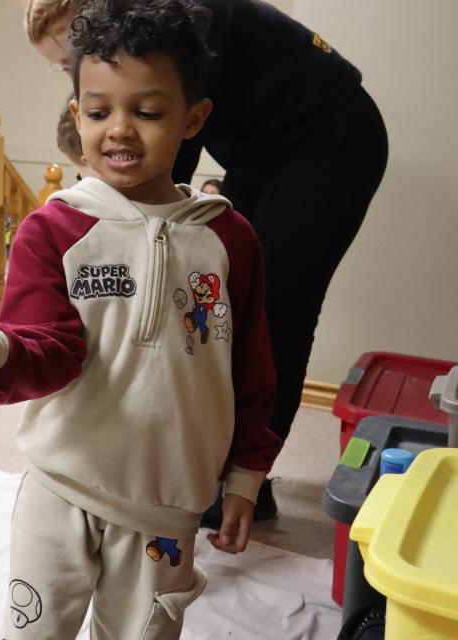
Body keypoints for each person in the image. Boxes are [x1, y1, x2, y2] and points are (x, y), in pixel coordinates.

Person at [0, 1, 282, 635]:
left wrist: (246, 477)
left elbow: (253, 369)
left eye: (147, 112)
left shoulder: (231, 239)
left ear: (193, 119)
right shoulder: (54, 228)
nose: (119, 129)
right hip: (60, 489)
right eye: (98, 112)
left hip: (167, 508)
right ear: (77, 115)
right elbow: (45, 348)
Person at [26, 0, 388, 522]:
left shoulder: (181, 23)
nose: (70, 73)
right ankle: (207, 459)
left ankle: (247, 482)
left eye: (68, 58)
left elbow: (165, 157)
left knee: (273, 312)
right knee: (222, 302)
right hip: (259, 154)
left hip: (330, 142)